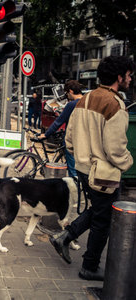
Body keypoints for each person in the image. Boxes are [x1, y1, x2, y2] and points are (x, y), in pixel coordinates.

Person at [50, 56, 134, 281]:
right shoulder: (115, 104)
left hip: (84, 169)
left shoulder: (84, 100)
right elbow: (115, 149)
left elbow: (69, 139)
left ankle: (65, 237)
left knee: (98, 210)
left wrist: (83, 156)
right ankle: (89, 266)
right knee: (102, 221)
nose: (130, 78)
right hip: (104, 173)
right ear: (119, 77)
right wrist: (128, 163)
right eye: (128, 75)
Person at [39, 80, 84, 177]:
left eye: (67, 93)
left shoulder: (72, 105)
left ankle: (75, 190)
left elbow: (58, 122)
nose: (67, 96)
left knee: (73, 171)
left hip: (72, 141)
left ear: (71, 91)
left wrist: (46, 134)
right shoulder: (88, 102)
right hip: (85, 142)